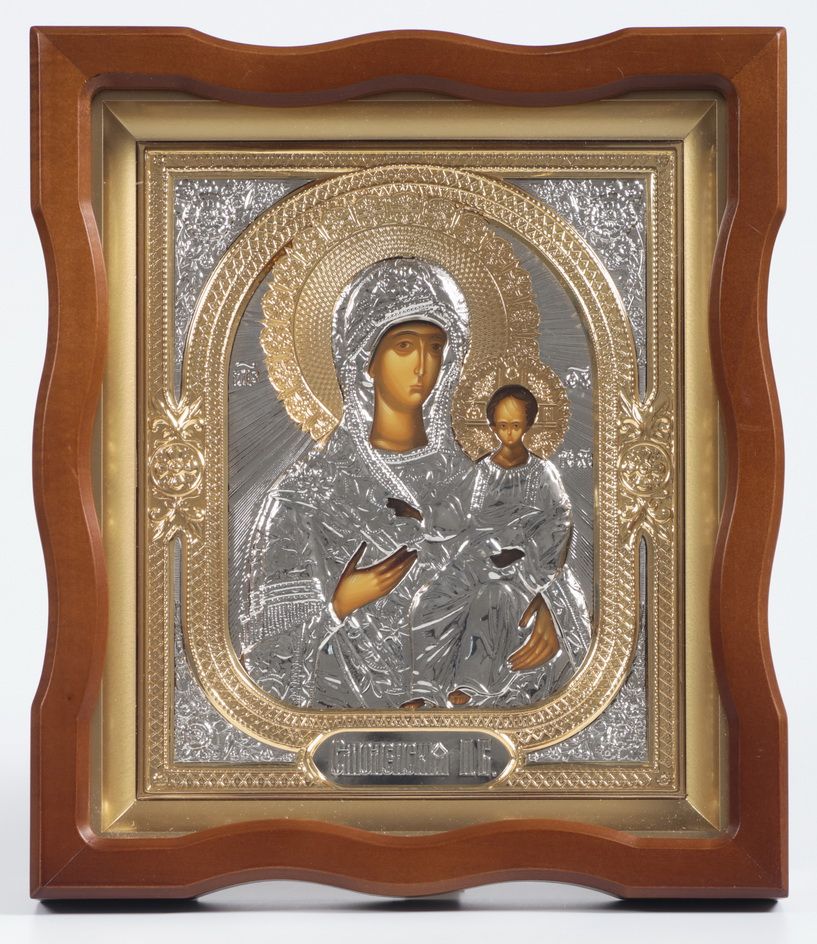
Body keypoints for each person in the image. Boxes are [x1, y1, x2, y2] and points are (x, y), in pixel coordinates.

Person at [238, 257, 473, 708]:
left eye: (435, 347)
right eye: (403, 346)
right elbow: (266, 662)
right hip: (341, 716)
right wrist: (340, 605)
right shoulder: (304, 495)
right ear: (367, 360)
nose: (423, 366)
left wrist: (535, 606)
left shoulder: (473, 482)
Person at [409, 384, 592, 708]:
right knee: (431, 600)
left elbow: (559, 520)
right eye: (502, 425)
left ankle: (473, 683)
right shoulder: (482, 472)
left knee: (491, 599)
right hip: (474, 561)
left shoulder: (542, 473)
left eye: (516, 425)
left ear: (529, 425)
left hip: (519, 567)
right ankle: (426, 687)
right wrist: (422, 516)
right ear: (492, 425)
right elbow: (455, 511)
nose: (508, 433)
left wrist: (525, 556)